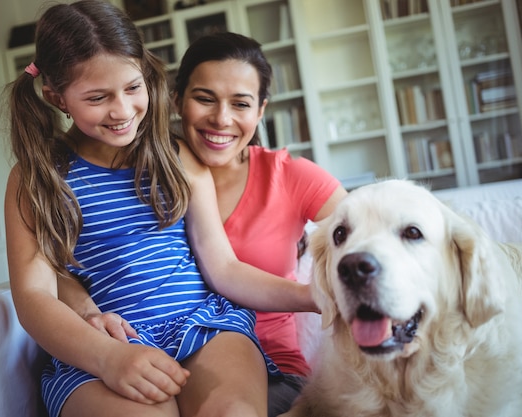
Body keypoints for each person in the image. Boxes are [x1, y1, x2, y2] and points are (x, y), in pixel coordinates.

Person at [3, 2, 317, 417]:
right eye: (97, 97)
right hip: (102, 346)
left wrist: (313, 296)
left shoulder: (177, 156)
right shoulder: (35, 178)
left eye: (133, 88)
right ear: (55, 97)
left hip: (205, 327)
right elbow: (34, 298)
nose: (122, 110)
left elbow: (223, 268)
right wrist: (106, 358)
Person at [60, 31, 347, 417]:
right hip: (145, 351)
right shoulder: (152, 170)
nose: (221, 119)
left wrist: (330, 295)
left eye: (240, 104)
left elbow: (370, 233)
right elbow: (71, 262)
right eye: (204, 98)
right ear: (176, 101)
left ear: (260, 111)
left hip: (267, 367)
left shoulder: (292, 176)